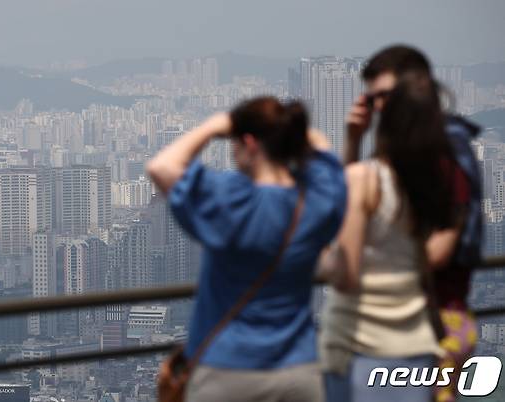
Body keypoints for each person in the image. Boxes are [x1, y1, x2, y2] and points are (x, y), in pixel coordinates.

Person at [147, 97, 346, 402]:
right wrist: (289, 132)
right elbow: (325, 153)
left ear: (249, 144)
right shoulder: (315, 201)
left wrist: (215, 125)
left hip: (227, 370)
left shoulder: (230, 200)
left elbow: (161, 167)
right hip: (299, 371)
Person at [318, 72, 470, 402]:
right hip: (416, 347)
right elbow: (432, 256)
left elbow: (346, 275)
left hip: (359, 349)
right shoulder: (437, 184)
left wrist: (319, 253)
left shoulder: (365, 179)